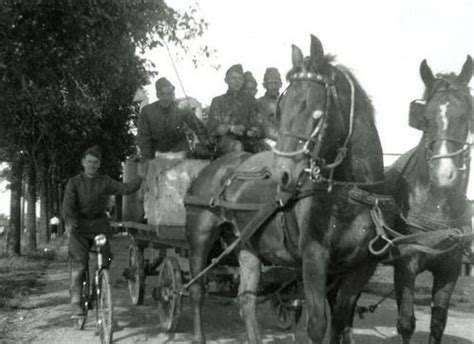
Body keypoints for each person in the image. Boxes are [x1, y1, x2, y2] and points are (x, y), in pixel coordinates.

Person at [62, 146, 142, 317]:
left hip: (99, 226)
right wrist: (70, 222)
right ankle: (76, 302)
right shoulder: (74, 182)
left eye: (95, 162)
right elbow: (68, 206)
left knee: (105, 258)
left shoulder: (105, 181)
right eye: (89, 162)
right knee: (79, 264)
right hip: (79, 228)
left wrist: (141, 178)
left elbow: (125, 188)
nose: (92, 165)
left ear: (99, 165)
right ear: (83, 163)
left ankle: (95, 291)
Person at [137, 77, 209, 159]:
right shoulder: (147, 111)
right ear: (157, 95)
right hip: (158, 156)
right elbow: (143, 138)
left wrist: (207, 145)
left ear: (173, 94)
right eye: (162, 94)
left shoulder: (182, 107)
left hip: (181, 154)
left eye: (169, 94)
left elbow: (198, 127)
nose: (166, 97)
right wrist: (148, 159)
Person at [207, 64, 263, 155]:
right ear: (226, 80)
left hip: (248, 140)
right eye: (233, 78)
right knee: (237, 146)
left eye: (240, 79)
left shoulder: (250, 101)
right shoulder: (218, 101)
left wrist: (253, 131)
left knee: (266, 148)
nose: (237, 82)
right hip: (225, 141)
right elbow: (213, 128)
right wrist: (231, 128)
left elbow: (258, 122)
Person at [257, 67, 283, 141]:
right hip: (271, 139)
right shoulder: (260, 103)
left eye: (276, 83)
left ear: (280, 84)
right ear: (264, 85)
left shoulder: (287, 101)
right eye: (270, 83)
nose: (273, 86)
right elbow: (265, 126)